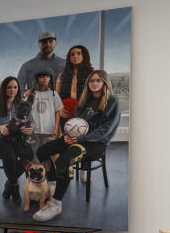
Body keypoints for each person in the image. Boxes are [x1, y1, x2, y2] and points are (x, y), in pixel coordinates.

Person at [32, 70, 120, 221]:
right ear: (88, 84)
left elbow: (106, 129)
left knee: (64, 160)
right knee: (42, 151)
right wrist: (68, 136)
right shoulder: (84, 101)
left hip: (96, 143)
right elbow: (75, 123)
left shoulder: (112, 101)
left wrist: (80, 139)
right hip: (76, 138)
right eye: (91, 81)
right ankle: (53, 182)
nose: (94, 83)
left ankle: (56, 203)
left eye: (98, 80)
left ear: (104, 83)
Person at [0, 76, 32, 205]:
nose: (12, 90)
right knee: (10, 156)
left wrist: (29, 129)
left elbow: (30, 122)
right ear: (4, 89)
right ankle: (15, 188)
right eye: (9, 87)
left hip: (16, 139)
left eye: (15, 87)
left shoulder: (22, 105)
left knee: (28, 154)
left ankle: (9, 184)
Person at [54, 44, 94, 133]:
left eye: (78, 53)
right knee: (67, 141)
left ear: (84, 55)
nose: (75, 56)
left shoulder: (91, 74)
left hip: (84, 114)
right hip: (66, 113)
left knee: (83, 141)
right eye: (72, 54)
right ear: (69, 57)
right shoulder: (63, 75)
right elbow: (57, 96)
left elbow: (96, 97)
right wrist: (60, 110)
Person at [28, 69, 59, 157]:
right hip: (34, 131)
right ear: (37, 79)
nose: (45, 79)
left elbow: (58, 111)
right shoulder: (32, 94)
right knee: (34, 155)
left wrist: (56, 128)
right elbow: (26, 110)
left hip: (49, 131)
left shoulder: (54, 94)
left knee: (47, 156)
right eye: (42, 77)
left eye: (48, 77)